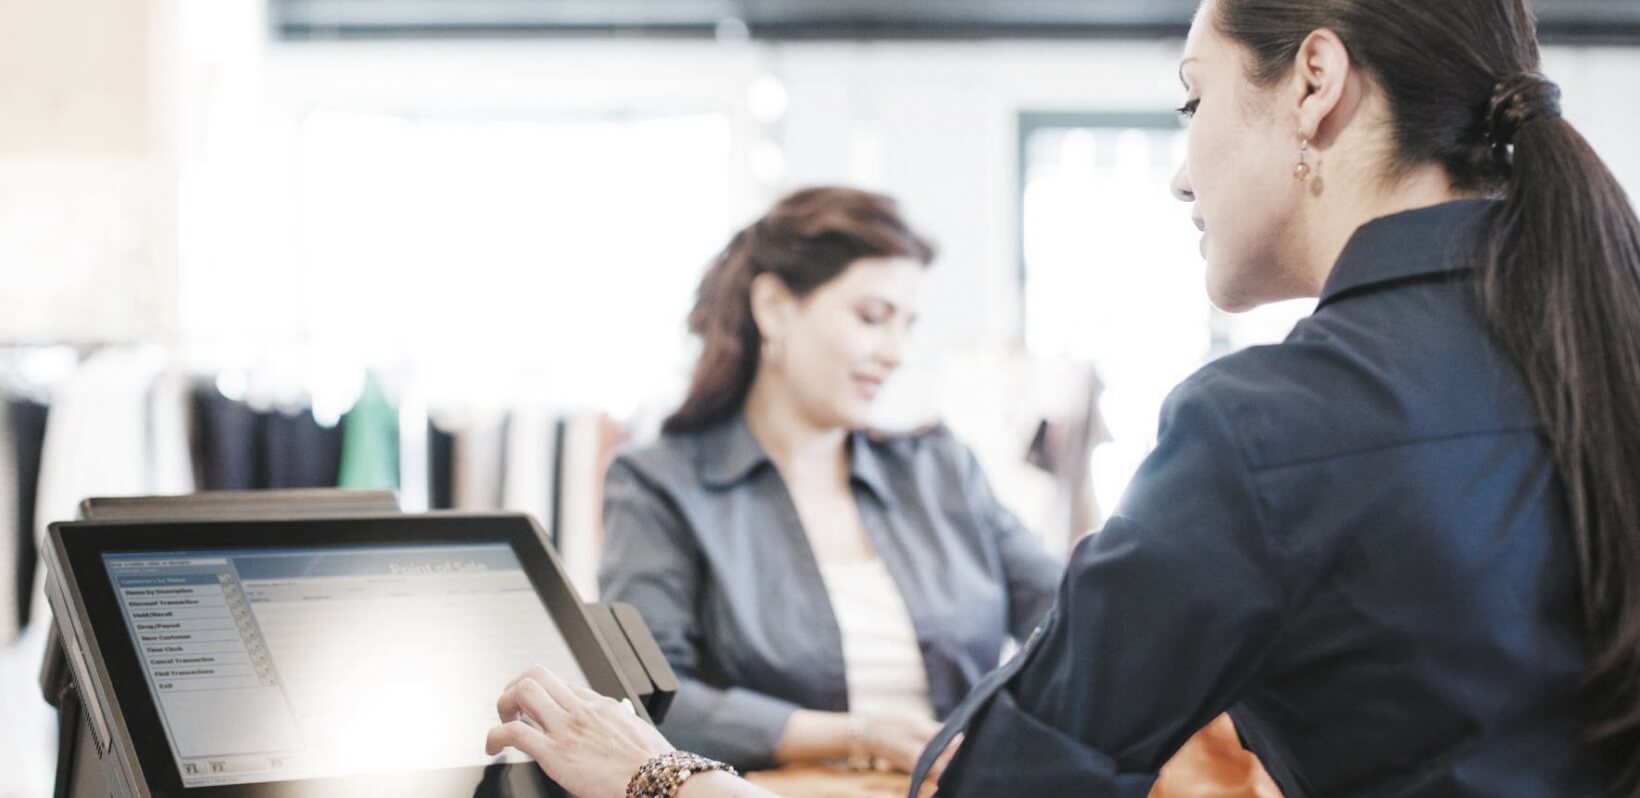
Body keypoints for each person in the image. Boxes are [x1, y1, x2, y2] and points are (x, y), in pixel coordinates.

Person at [487, 0, 1640, 793]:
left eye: (1189, 100)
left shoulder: (1260, 428)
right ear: (773, 311)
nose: (1180, 171)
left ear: (1312, 83)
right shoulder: (1593, 349)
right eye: (868, 315)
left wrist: (656, 782)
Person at [592, 187, 1064, 774]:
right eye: (873, 318)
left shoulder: (940, 469)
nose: (896, 353)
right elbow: (649, 700)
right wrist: (863, 735)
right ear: (773, 307)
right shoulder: (659, 485)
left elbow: (1067, 618)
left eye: (907, 326)